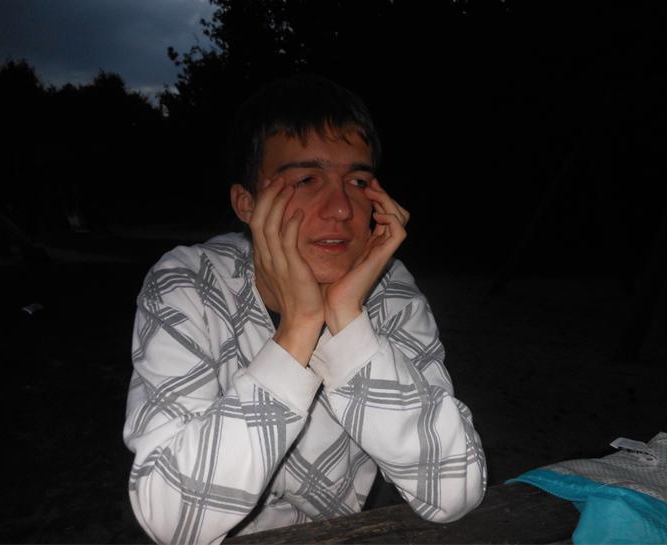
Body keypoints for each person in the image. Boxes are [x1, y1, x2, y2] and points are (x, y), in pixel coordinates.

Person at [123, 75, 486, 545]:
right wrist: (298, 330)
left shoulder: (389, 289)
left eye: (358, 181)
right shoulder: (189, 283)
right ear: (247, 203)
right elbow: (175, 519)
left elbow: (454, 490)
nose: (341, 209)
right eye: (307, 179)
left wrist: (347, 320)